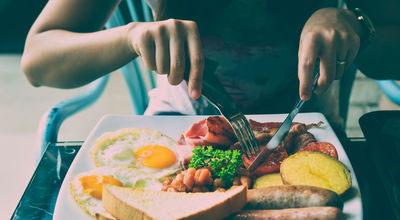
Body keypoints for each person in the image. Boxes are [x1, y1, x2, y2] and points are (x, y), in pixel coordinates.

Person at [20, 0, 400, 134]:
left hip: (311, 134)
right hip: (174, 133)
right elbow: (38, 61)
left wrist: (357, 25)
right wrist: (130, 36)